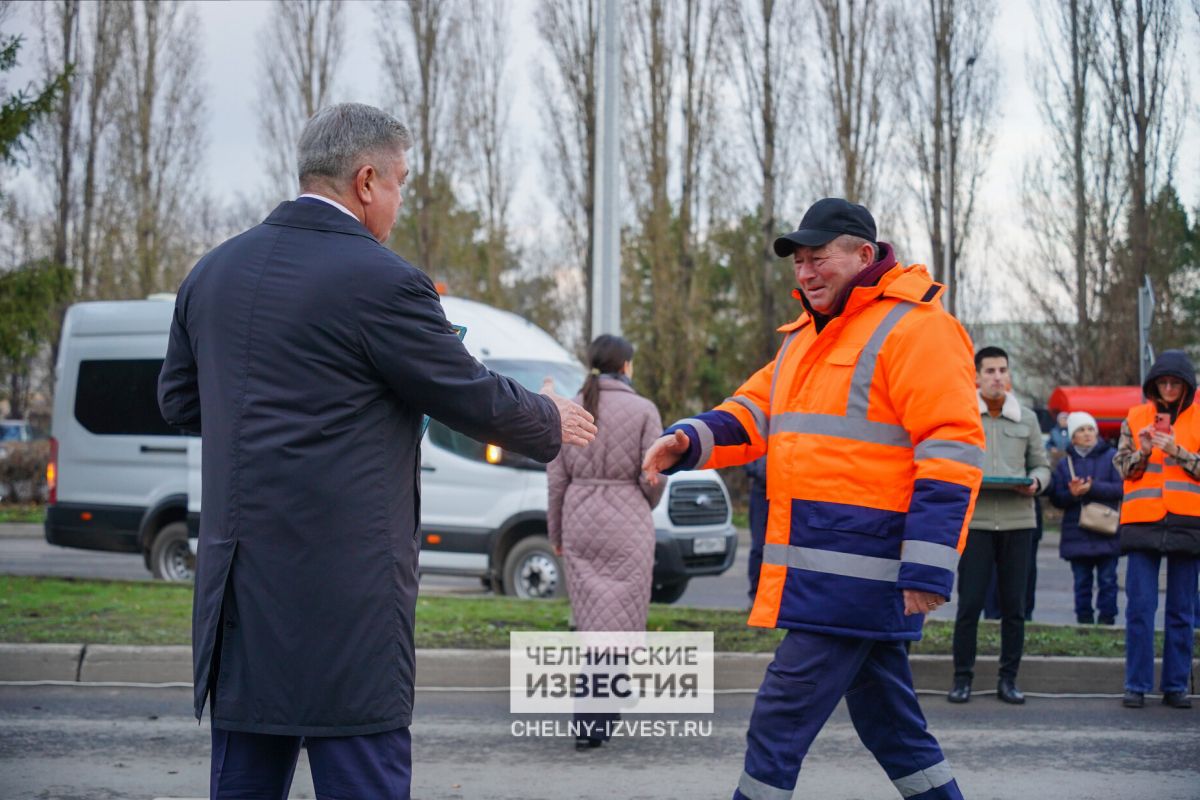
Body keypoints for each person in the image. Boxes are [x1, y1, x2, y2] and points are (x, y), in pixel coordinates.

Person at [157, 103, 597, 799]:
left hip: (239, 598)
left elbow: (180, 403)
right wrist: (550, 415)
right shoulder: (383, 280)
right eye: (400, 183)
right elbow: (468, 393)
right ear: (366, 181)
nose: (398, 201)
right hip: (345, 608)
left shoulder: (211, 273)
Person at [643, 198, 983, 800]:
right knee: (891, 728)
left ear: (864, 254)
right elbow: (754, 410)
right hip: (831, 570)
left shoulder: (918, 328)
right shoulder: (806, 336)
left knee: (778, 718)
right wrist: (686, 439)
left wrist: (929, 565)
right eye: (799, 261)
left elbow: (950, 448)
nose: (805, 273)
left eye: (818, 258)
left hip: (861, 572)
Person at [547, 334, 665, 749]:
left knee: (594, 621)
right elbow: (653, 475)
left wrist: (557, 533)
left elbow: (556, 478)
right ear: (626, 366)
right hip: (627, 520)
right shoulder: (643, 409)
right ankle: (594, 719)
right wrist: (643, 500)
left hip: (580, 516)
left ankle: (603, 706)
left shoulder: (569, 406)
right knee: (619, 619)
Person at [949, 346, 1050, 705]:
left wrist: (1036, 483)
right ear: (976, 376)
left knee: (1014, 606)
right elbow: (950, 462)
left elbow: (1042, 465)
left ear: (1009, 375)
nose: (996, 377)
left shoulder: (1026, 418)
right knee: (969, 604)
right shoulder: (962, 415)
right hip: (974, 523)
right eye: (989, 370)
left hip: (1018, 522)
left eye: (1002, 370)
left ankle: (1008, 680)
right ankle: (962, 679)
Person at [1113, 350, 1200, 710]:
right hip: (1143, 521)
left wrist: (1178, 452)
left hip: (1187, 522)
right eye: (1162, 383)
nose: (1167, 389)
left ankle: (1176, 685)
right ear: (1153, 385)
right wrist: (1144, 451)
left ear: (1186, 386)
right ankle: (1136, 685)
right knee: (1140, 608)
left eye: (1174, 383)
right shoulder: (1135, 418)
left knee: (1182, 610)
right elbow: (1122, 468)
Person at [1048, 412, 1122, 625]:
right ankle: (1084, 622)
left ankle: (1108, 621)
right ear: (1072, 437)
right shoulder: (1065, 464)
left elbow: (1121, 489)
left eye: (1090, 429)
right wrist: (1072, 494)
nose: (1087, 434)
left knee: (1108, 580)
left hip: (1106, 529)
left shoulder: (1112, 457)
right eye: (1081, 430)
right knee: (1082, 582)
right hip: (1077, 532)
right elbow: (1057, 499)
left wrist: (1092, 488)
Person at [743, 456, 767, 605]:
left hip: (786, 492)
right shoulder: (762, 432)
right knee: (758, 547)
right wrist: (756, 470)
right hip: (761, 491)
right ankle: (756, 597)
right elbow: (747, 448)